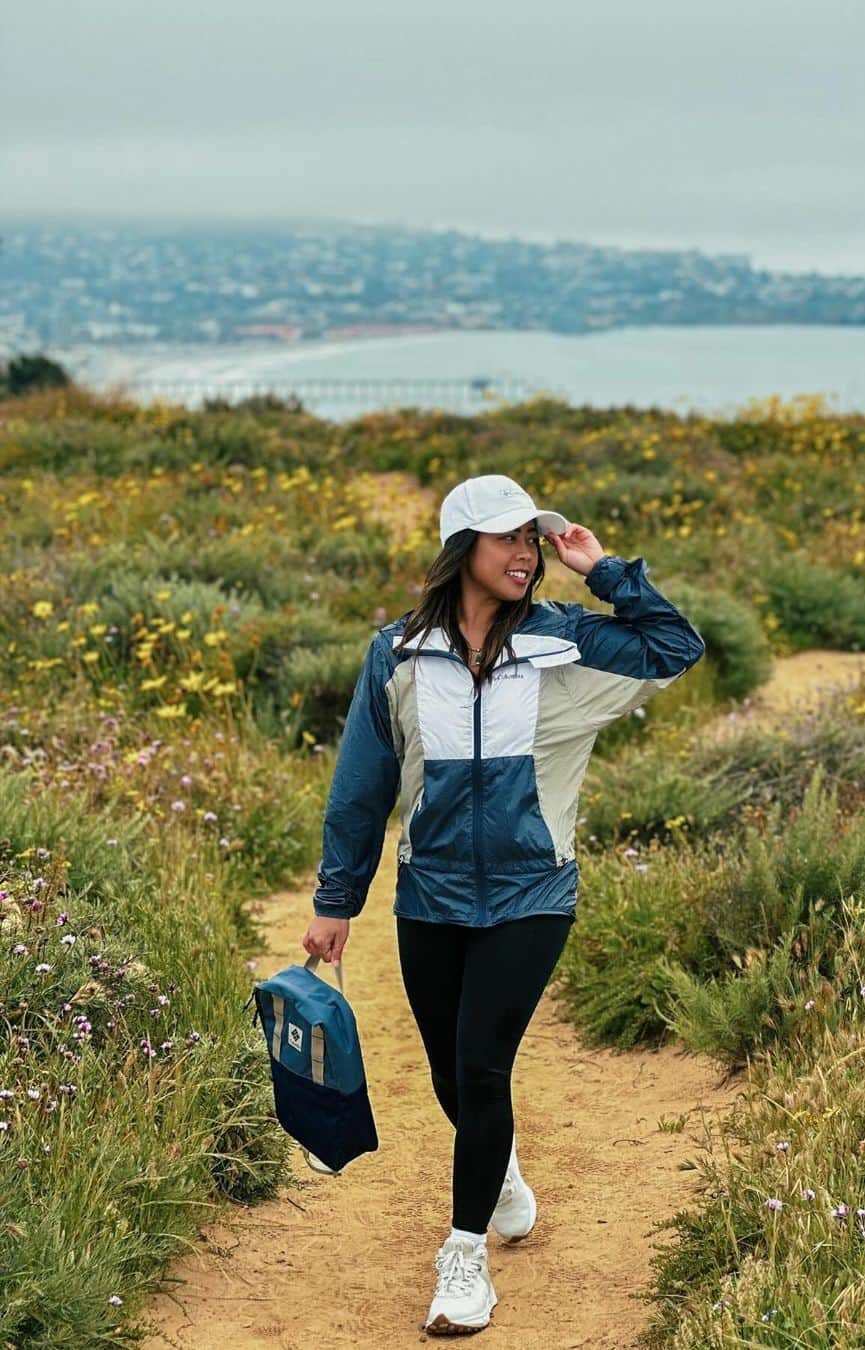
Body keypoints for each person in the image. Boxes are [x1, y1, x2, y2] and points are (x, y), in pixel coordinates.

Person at [301, 472, 705, 1335]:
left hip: (533, 890)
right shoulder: (399, 653)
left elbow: (677, 647)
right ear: (462, 552)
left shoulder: (565, 644)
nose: (526, 553)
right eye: (507, 539)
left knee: (482, 1066)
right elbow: (362, 786)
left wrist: (604, 572)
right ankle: (504, 1174)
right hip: (431, 893)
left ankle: (464, 1260)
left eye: (534, 539)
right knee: (451, 1069)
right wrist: (338, 899)